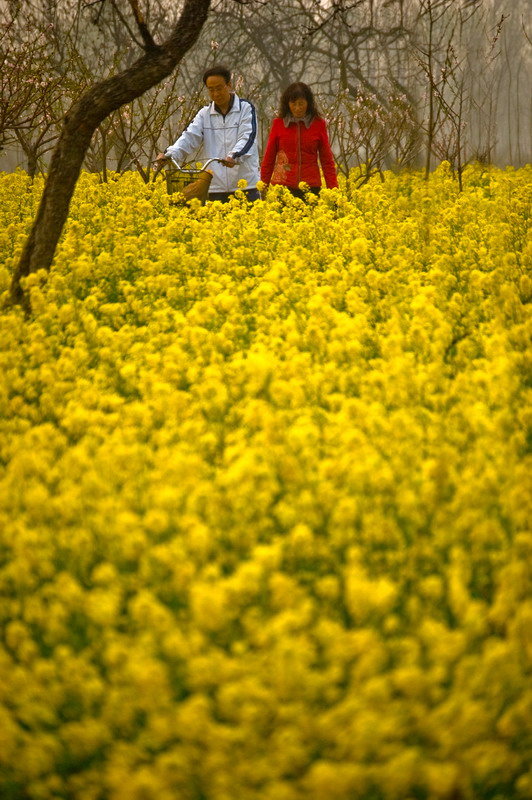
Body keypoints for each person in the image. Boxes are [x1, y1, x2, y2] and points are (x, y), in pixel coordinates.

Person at [154, 65, 260, 202]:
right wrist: (170, 154)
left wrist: (234, 156)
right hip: (215, 186)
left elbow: (248, 137)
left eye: (219, 88)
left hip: (245, 185)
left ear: (229, 85)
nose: (216, 94)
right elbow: (189, 136)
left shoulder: (245, 108)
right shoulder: (204, 114)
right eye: (211, 90)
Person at [260, 82, 338, 199]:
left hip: (310, 187)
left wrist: (334, 192)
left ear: (308, 103)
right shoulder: (278, 124)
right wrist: (263, 187)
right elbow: (269, 158)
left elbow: (327, 161)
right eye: (293, 103)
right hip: (283, 187)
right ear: (287, 104)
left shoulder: (318, 124)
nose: (297, 108)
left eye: (301, 104)